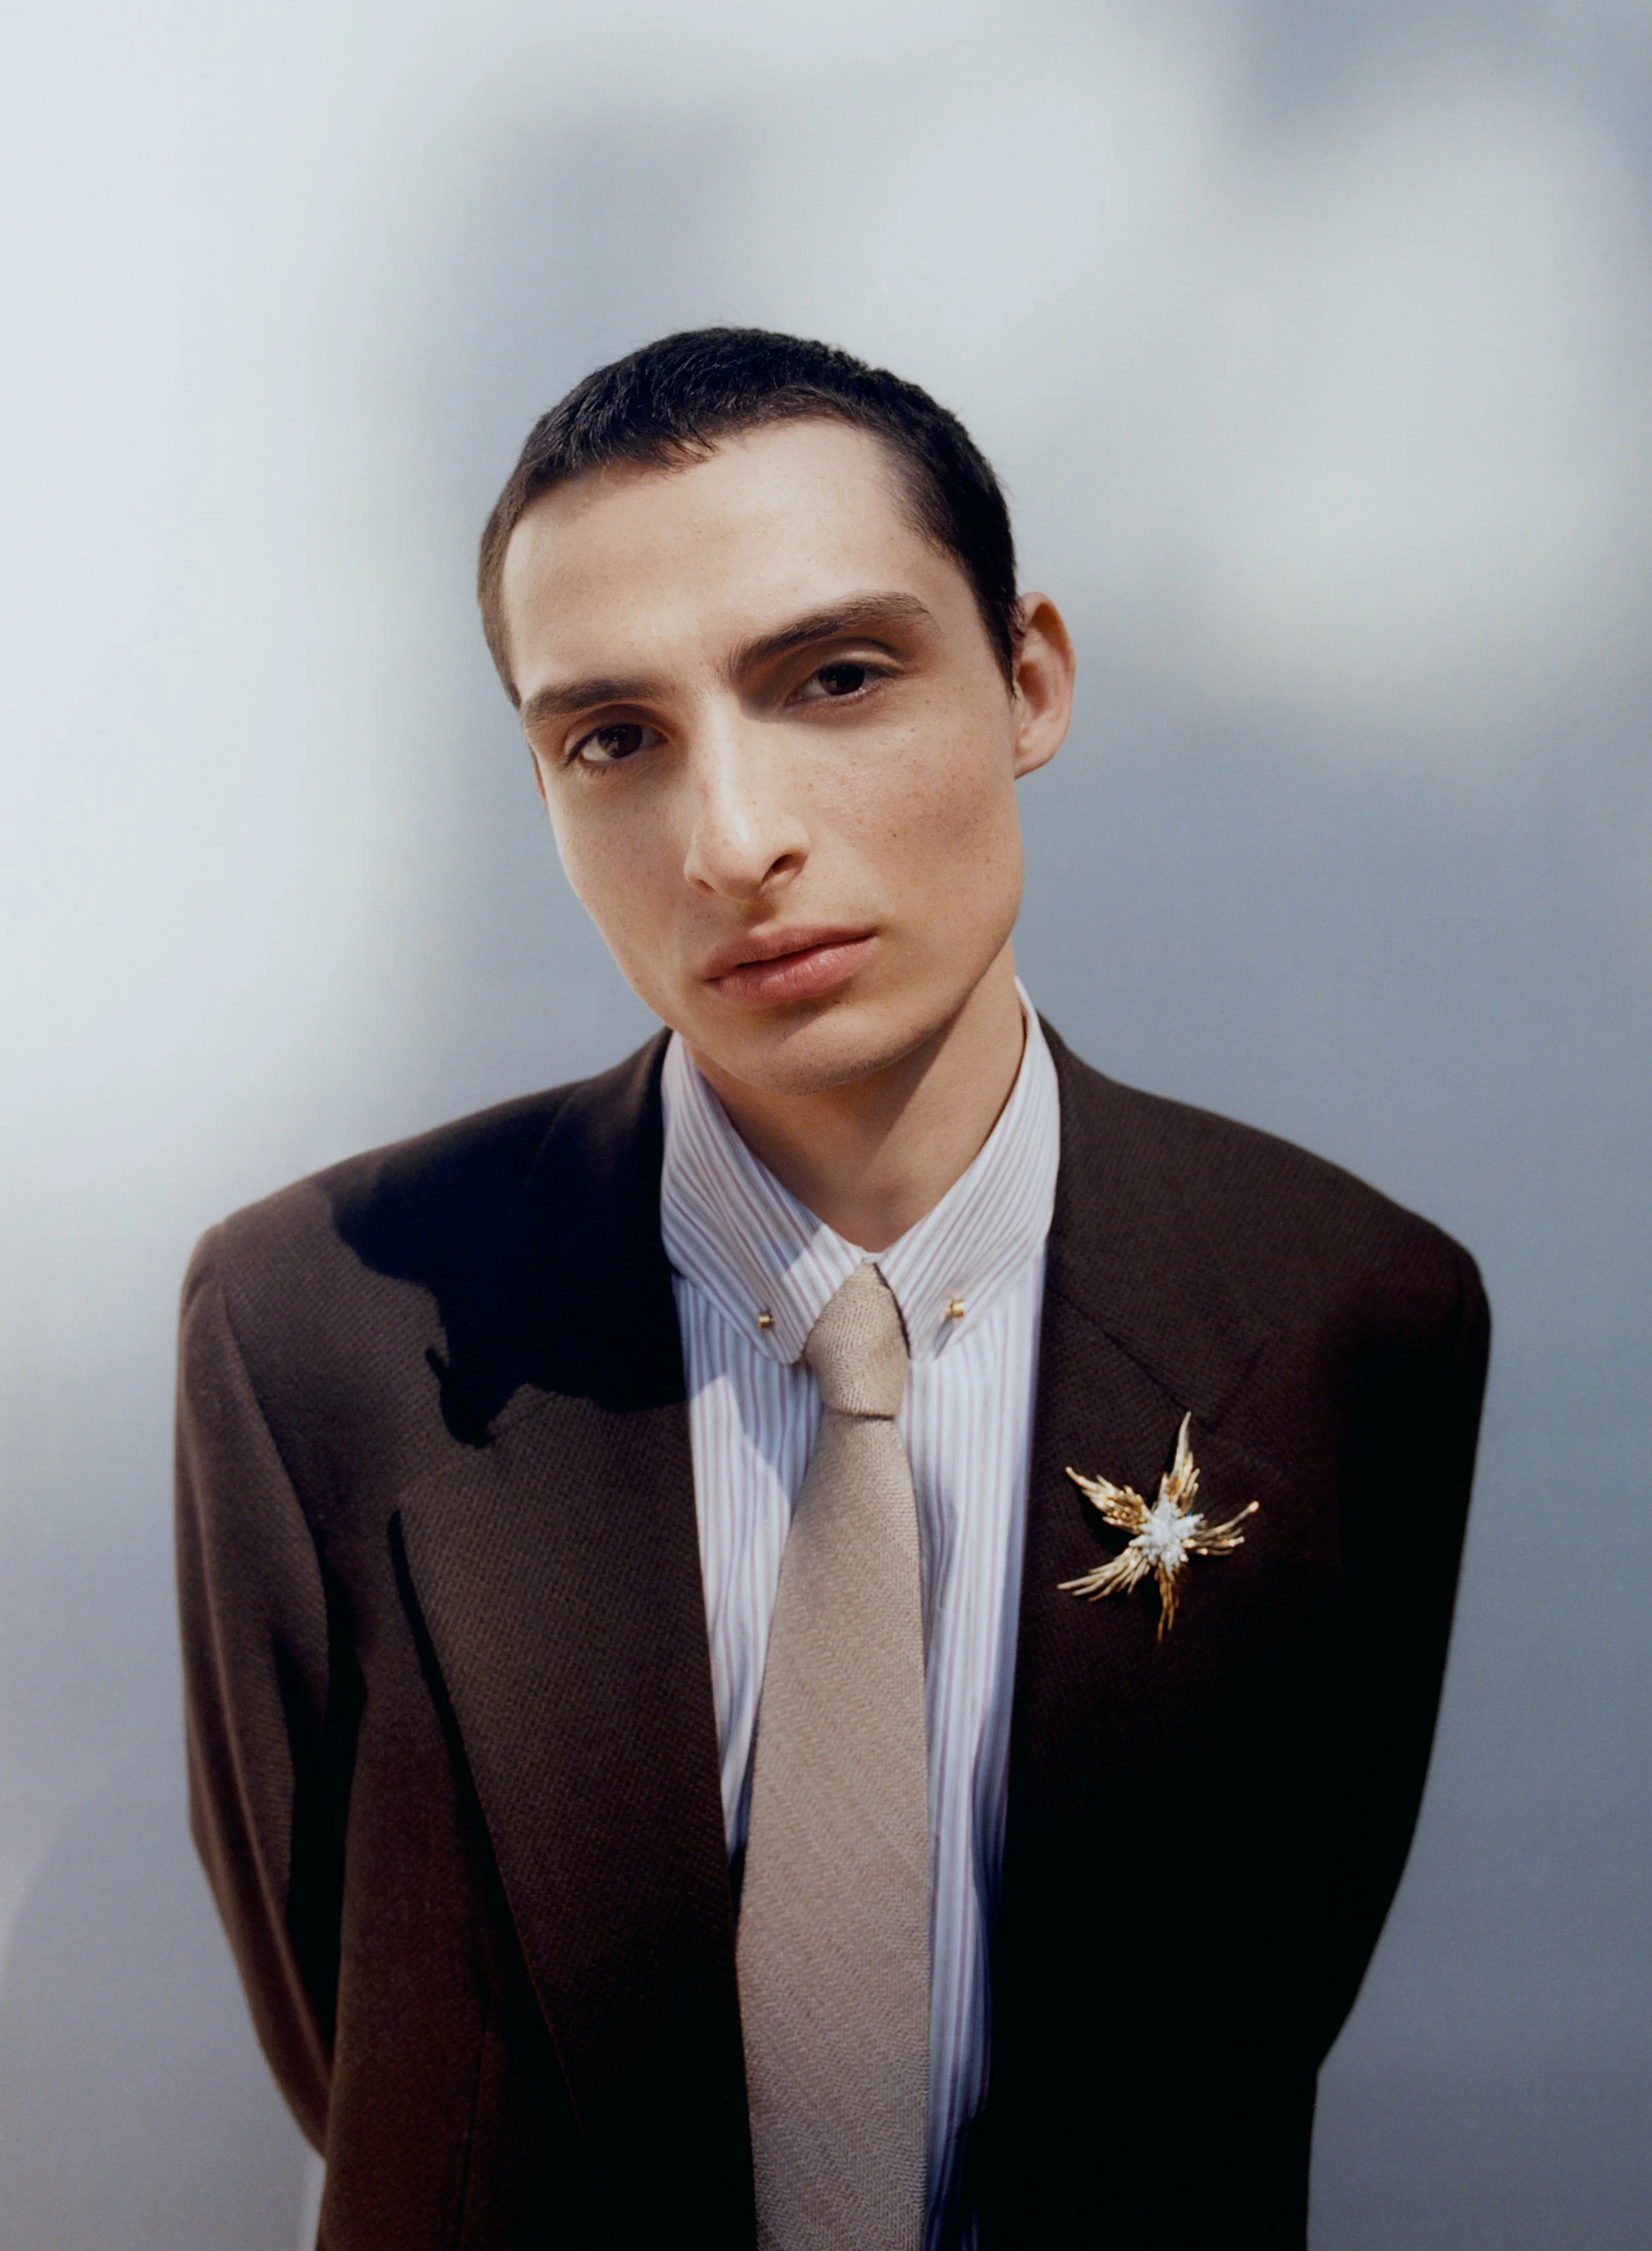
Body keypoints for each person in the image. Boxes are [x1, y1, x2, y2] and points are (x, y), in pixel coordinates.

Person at [176, 328, 1490, 2251]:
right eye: (611, 737)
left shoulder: (1347, 1315)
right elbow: (357, 2041)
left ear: (1025, 677)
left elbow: (1243, 2013)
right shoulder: (315, 1325)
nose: (732, 843)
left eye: (836, 676)